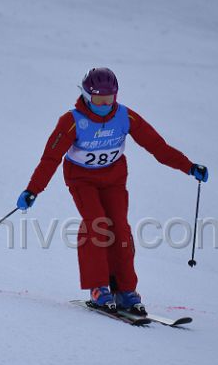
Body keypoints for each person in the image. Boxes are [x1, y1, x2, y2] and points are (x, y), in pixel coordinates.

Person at [17, 67, 208, 313]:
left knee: (120, 228)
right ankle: (98, 287)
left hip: (114, 179)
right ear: (86, 96)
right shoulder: (71, 121)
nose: (105, 105)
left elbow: (157, 146)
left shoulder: (125, 117)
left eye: (109, 99)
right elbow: (50, 159)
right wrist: (33, 190)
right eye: (99, 100)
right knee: (97, 223)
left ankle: (125, 290)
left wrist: (189, 167)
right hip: (82, 180)